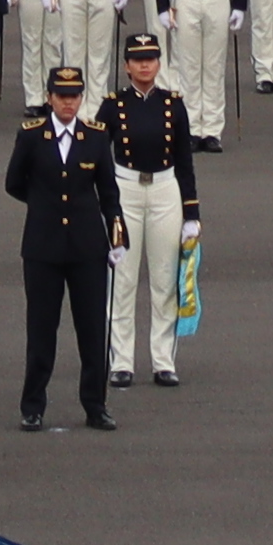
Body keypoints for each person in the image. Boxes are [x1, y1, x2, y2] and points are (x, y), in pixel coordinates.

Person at [5, 60, 123, 430]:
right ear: (49, 98)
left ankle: (95, 404)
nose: (68, 104)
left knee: (92, 330)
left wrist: (117, 233)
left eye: (74, 97)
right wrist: (44, 205)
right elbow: (14, 183)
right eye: (61, 96)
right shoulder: (31, 136)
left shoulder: (97, 137)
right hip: (43, 248)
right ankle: (33, 405)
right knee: (41, 330)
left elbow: (108, 191)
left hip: (88, 247)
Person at [105, 30, 200, 389]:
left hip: (164, 190)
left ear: (159, 63)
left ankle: (163, 360)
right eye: (138, 59)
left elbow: (185, 161)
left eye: (151, 58)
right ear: (127, 65)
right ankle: (121, 361)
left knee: (164, 279)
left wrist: (191, 213)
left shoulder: (173, 104)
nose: (145, 64)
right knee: (122, 278)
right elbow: (101, 159)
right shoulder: (112, 106)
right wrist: (107, 206)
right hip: (126, 188)